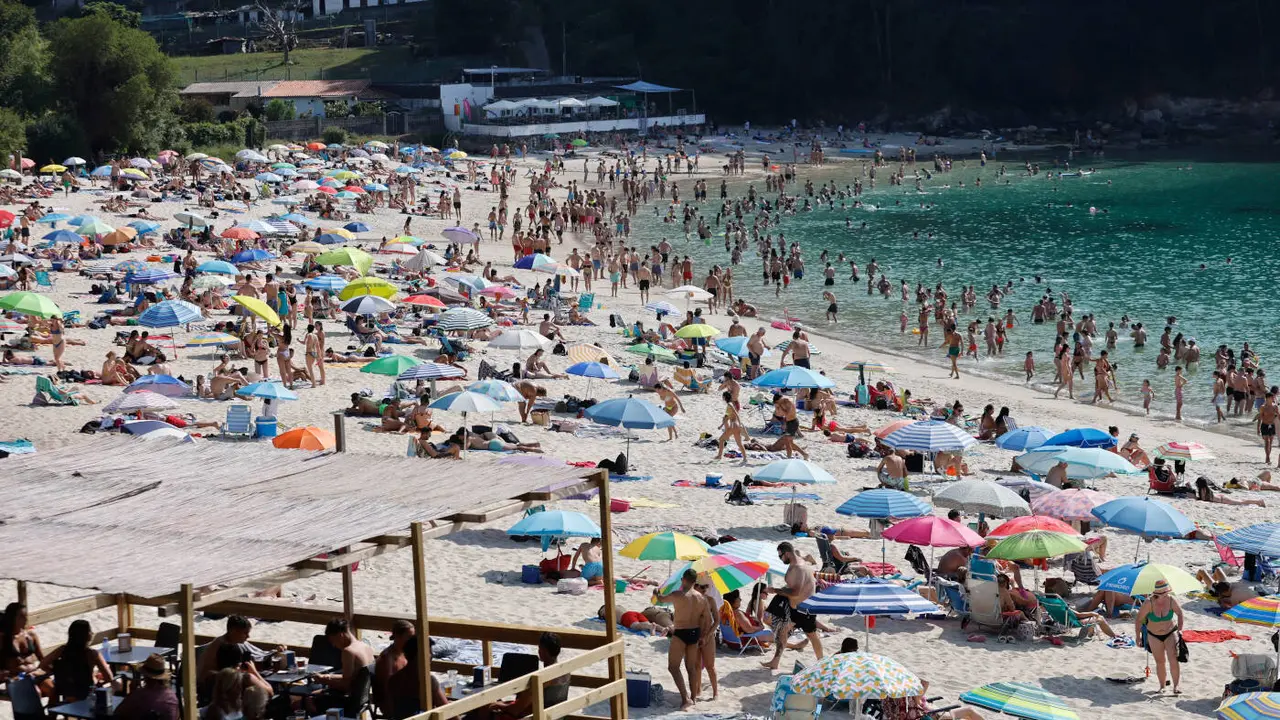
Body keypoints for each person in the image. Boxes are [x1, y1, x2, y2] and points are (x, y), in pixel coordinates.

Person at [468, 632, 565, 720]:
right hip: (551, 715)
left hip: (529, 715)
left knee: (485, 708)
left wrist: (500, 705)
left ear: (543, 651)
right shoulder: (564, 671)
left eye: (539, 648)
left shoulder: (542, 678)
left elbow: (516, 709)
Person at [655, 568, 714, 710]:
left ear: (683, 580)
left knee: (673, 667)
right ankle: (693, 697)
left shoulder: (677, 594)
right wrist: (704, 636)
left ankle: (685, 698)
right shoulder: (702, 598)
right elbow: (708, 619)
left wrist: (656, 592)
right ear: (695, 582)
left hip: (681, 632)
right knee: (691, 668)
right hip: (694, 633)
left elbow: (661, 600)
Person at [760, 542, 822, 670]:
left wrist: (776, 590)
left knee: (812, 635)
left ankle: (822, 663)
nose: (780, 559)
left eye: (780, 556)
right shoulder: (797, 559)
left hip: (805, 609)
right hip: (795, 607)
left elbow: (796, 592)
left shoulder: (798, 569)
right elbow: (802, 556)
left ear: (787, 553)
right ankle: (775, 662)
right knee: (782, 631)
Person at [196, 615, 279, 692]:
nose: (248, 636)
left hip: (219, 683)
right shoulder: (223, 647)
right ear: (233, 631)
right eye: (245, 633)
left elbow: (258, 653)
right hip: (211, 688)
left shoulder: (229, 642)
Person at [39, 619, 112, 702]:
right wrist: (97, 680)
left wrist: (57, 671)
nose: (92, 633)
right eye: (90, 631)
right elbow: (109, 677)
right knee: (117, 684)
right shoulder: (92, 654)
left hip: (66, 691)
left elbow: (42, 664)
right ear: (87, 635)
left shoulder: (62, 650)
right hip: (86, 693)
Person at [1134, 579, 1184, 695]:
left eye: (1164, 593)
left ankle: (1176, 686)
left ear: (1167, 591)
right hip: (1154, 635)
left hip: (1170, 632)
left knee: (1173, 659)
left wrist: (1180, 630)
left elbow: (1180, 613)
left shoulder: (1171, 600)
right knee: (1160, 661)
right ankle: (1162, 686)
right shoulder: (1148, 603)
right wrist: (1138, 637)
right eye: (1159, 593)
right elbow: (1139, 620)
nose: (1162, 596)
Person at [313, 618, 376, 709]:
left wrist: (324, 681)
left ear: (340, 635)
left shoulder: (348, 652)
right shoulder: (365, 646)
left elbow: (346, 686)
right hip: (363, 699)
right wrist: (330, 676)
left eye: (333, 641)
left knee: (307, 700)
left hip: (349, 702)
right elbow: (354, 677)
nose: (334, 645)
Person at [385, 635, 447, 720]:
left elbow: (390, 711)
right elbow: (447, 710)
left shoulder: (393, 680)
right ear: (421, 656)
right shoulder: (428, 681)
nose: (431, 656)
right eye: (429, 653)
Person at [114, 654, 179, 720]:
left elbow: (118, 712)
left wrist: (131, 693)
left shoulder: (138, 695)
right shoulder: (172, 697)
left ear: (145, 676)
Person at [374, 619, 414, 711]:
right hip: (392, 704)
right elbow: (388, 688)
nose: (412, 640)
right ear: (397, 636)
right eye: (409, 637)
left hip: (404, 697)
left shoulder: (405, 653)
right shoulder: (388, 658)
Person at [1195, 568, 1260, 609]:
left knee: (1201, 571)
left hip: (1218, 590)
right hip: (1227, 587)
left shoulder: (1234, 596)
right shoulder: (1239, 588)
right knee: (1218, 569)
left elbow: (1231, 607)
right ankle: (1209, 585)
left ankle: (1196, 588)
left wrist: (1222, 601)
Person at [714, 390, 748, 463]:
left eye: (723, 396)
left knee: (721, 439)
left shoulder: (729, 404)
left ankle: (719, 456)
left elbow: (736, 413)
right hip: (736, 426)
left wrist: (740, 422)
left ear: (725, 397)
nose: (722, 397)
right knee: (739, 443)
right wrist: (721, 425)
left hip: (733, 425)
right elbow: (728, 417)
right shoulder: (731, 404)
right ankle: (745, 458)